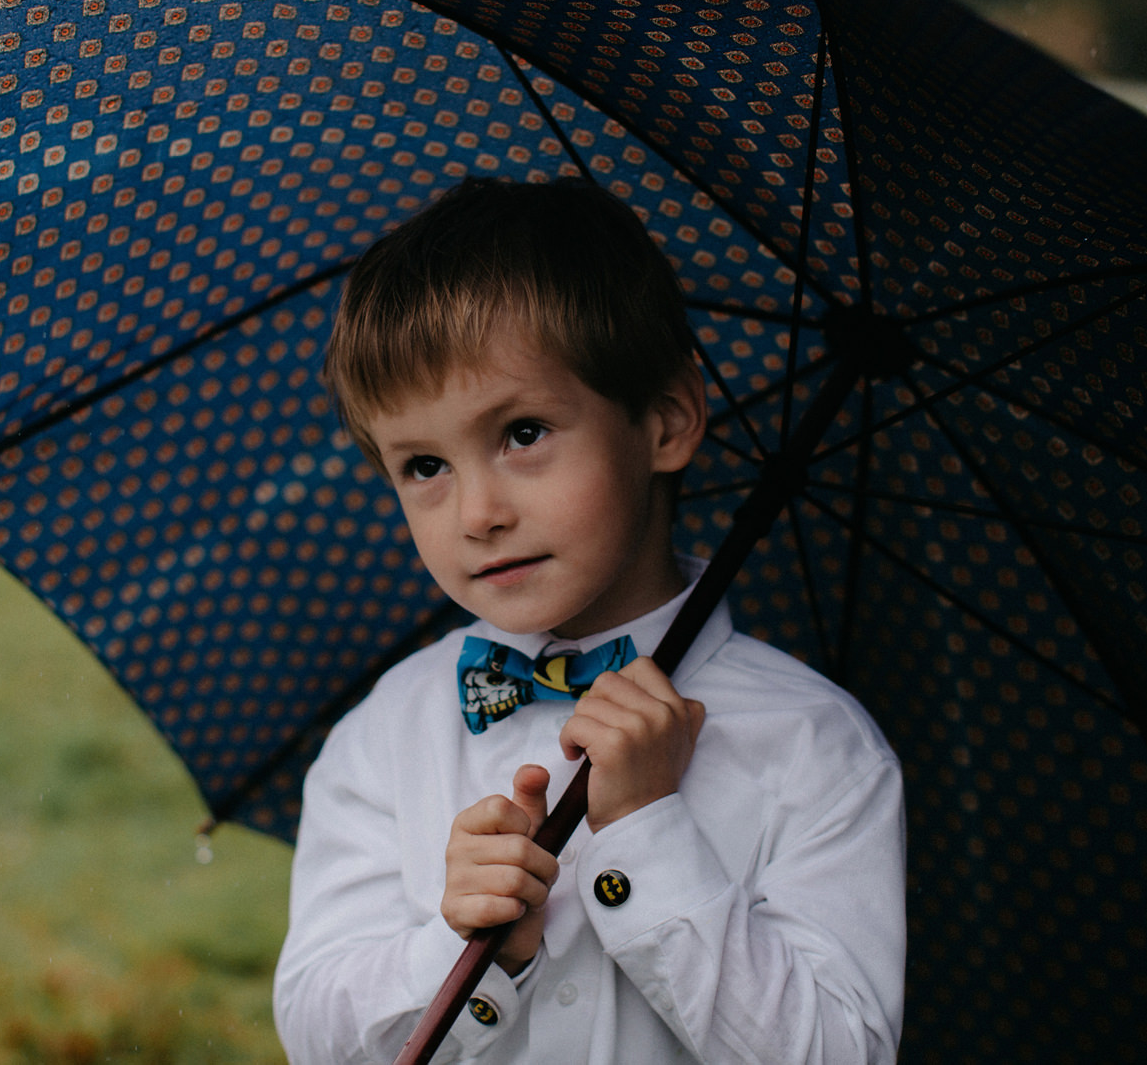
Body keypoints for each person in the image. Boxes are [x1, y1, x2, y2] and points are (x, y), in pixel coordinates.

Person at [273, 175, 905, 1063]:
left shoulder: (813, 746)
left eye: (523, 432)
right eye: (423, 465)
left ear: (667, 421)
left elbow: (840, 1053)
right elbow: (317, 1034)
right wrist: (466, 947)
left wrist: (648, 830)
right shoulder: (388, 735)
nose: (477, 512)